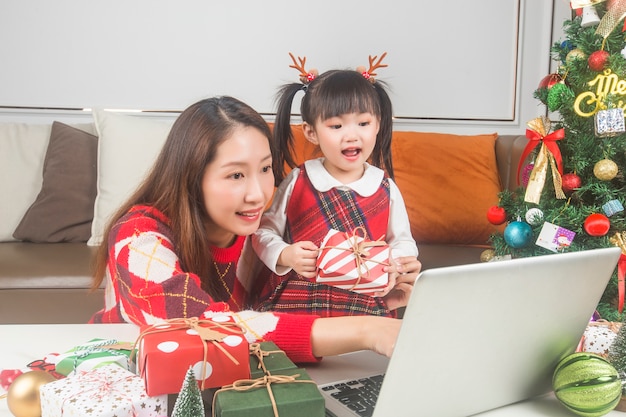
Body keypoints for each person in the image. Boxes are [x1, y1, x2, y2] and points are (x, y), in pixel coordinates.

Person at [89, 96, 415, 363]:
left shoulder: (260, 238)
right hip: (122, 377)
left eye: (265, 169)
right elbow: (197, 327)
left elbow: (288, 308)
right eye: (235, 176)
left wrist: (375, 295)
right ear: (190, 177)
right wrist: (367, 331)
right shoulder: (137, 237)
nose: (258, 194)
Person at [250, 53, 419, 318]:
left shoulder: (384, 187)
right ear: (311, 132)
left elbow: (403, 242)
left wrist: (396, 264)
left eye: (363, 123)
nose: (352, 135)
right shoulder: (299, 180)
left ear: (378, 125)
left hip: (362, 302)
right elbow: (262, 233)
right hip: (299, 301)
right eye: (337, 125)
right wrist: (286, 254)